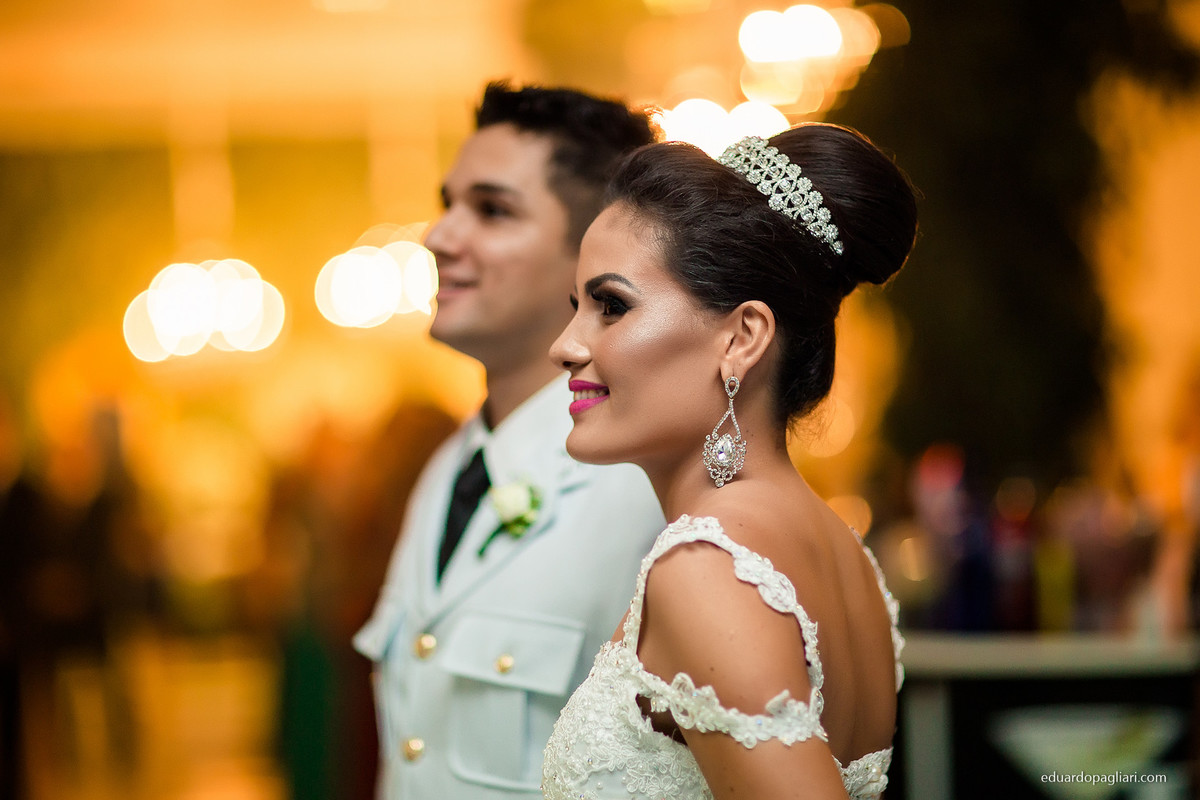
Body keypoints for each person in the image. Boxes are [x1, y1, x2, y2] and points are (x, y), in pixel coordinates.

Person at [542, 123, 917, 800]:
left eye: (611, 306)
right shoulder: (843, 554)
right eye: (577, 308)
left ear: (743, 337)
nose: (565, 346)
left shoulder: (708, 566)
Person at [353, 82, 664, 800]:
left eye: (492, 210)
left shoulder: (643, 488)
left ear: (593, 253)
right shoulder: (448, 469)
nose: (438, 237)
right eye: (447, 204)